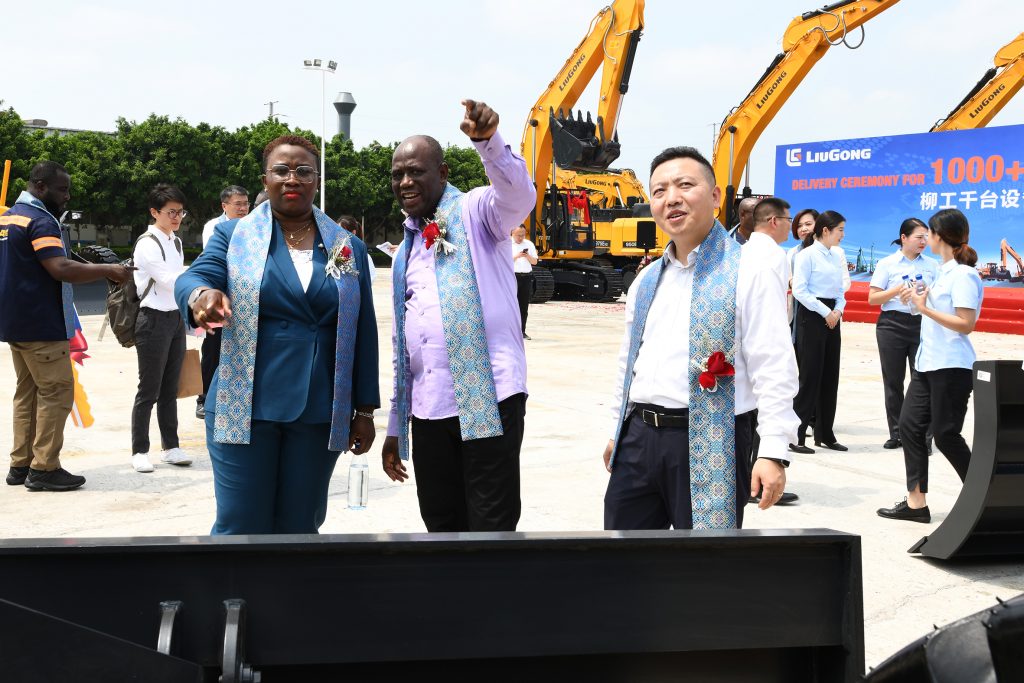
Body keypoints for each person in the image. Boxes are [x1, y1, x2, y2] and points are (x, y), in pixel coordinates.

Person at [175, 134, 379, 534]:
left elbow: (364, 329)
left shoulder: (347, 246)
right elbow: (196, 276)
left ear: (317, 180)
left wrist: (365, 410)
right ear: (265, 179)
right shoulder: (234, 235)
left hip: (318, 407)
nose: (292, 178)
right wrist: (202, 295)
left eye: (304, 171)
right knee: (240, 525)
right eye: (281, 170)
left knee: (300, 527)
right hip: (244, 403)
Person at [602, 147, 798, 530]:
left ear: (715, 196)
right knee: (623, 553)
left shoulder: (749, 270)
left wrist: (773, 450)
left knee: (704, 557)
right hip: (638, 436)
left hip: (712, 436)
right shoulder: (646, 279)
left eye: (684, 185)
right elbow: (629, 361)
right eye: (659, 191)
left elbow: (773, 362)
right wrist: (616, 430)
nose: (671, 198)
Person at [381, 99, 535, 532]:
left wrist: (489, 143)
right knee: (440, 523)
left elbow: (519, 196)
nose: (405, 182)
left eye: (416, 171)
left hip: (489, 397)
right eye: (397, 174)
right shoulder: (405, 251)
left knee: (490, 526)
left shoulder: (476, 211)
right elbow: (402, 346)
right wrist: (395, 425)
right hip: (428, 410)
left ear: (443, 173)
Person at [1, 161, 134, 491]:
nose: (67, 196)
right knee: (56, 393)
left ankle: (21, 464)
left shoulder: (8, 218)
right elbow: (59, 267)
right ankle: (44, 468)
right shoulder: (41, 220)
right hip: (42, 324)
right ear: (41, 187)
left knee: (28, 394)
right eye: (62, 190)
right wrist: (109, 270)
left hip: (16, 322)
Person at [878, 209, 983, 523]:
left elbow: (965, 324)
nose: (926, 239)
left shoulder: (964, 275)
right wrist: (917, 302)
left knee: (946, 435)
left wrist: (924, 308)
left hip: (951, 366)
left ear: (940, 236)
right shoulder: (944, 272)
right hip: (928, 364)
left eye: (929, 234)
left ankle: (986, 496)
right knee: (910, 427)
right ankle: (916, 504)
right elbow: (936, 313)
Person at [130, 184, 192, 473]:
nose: (177, 217)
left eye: (180, 212)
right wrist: (197, 282)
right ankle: (140, 450)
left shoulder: (175, 241)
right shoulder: (147, 244)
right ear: (155, 212)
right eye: (171, 212)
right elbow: (169, 280)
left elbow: (178, 278)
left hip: (174, 318)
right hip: (152, 320)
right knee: (149, 389)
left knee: (170, 388)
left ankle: (171, 447)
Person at [742, 197, 799, 505]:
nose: (791, 226)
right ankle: (759, 480)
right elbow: (773, 309)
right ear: (774, 221)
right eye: (789, 220)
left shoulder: (744, 251)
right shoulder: (774, 255)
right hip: (768, 339)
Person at [867, 218, 938, 449]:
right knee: (893, 381)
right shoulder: (887, 264)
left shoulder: (932, 265)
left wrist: (923, 295)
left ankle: (923, 436)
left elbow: (938, 297)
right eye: (919, 237)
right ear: (904, 238)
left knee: (923, 380)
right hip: (892, 325)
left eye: (926, 237)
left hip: (922, 324)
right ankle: (897, 433)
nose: (924, 241)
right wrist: (897, 290)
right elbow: (873, 298)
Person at [791, 210, 848, 454]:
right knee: (809, 377)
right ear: (826, 230)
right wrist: (826, 312)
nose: (842, 235)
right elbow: (799, 290)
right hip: (812, 316)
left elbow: (841, 289)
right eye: (840, 230)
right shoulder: (806, 255)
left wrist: (838, 310)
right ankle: (796, 434)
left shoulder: (836, 255)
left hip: (833, 316)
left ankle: (825, 433)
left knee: (830, 376)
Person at [197, 186, 249, 419]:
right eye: (238, 204)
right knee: (212, 351)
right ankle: (203, 398)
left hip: (243, 300)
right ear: (224, 206)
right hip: (217, 300)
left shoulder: (252, 226)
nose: (243, 208)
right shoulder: (215, 227)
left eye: (245, 203)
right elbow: (220, 259)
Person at [787, 209, 818, 342]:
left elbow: (844, 283)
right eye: (799, 226)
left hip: (823, 309)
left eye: (808, 224)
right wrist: (792, 282)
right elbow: (786, 278)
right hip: (797, 308)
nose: (803, 229)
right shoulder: (792, 253)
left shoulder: (832, 251)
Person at [511, 224, 538, 340]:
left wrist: (527, 256)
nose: (521, 238)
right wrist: (517, 256)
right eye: (518, 235)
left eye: (523, 235)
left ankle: (522, 331)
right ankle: (510, 332)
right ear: (512, 233)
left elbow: (535, 262)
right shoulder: (507, 244)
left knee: (523, 305)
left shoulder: (529, 244)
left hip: (526, 276)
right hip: (513, 277)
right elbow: (503, 261)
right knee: (511, 305)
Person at [336, 215, 376, 281]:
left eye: (342, 231)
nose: (339, 234)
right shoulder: (333, 253)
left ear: (353, 233)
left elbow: (370, 278)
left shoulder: (364, 256)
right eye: (337, 230)